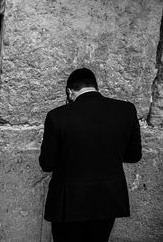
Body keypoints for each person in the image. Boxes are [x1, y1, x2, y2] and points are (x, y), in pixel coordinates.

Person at [39, 68, 142, 242]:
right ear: (96, 87)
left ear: (69, 91)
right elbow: (133, 156)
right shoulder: (126, 110)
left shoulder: (57, 116)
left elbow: (47, 164)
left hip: (68, 202)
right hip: (107, 198)